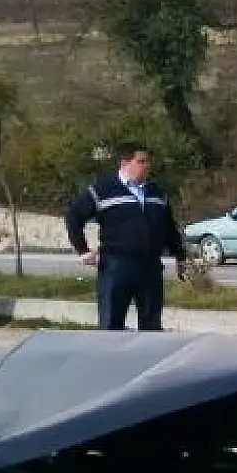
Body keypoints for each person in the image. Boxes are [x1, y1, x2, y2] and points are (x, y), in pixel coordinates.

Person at [64, 141, 187, 331]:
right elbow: (74, 217)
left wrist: (180, 256)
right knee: (111, 323)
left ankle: (147, 359)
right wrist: (83, 250)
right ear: (125, 163)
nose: (147, 166)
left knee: (152, 325)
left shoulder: (157, 192)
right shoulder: (102, 190)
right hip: (116, 266)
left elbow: (169, 227)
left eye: (147, 161)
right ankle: (110, 359)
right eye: (141, 161)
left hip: (150, 267)